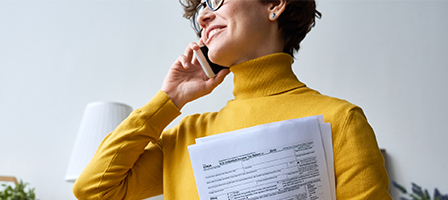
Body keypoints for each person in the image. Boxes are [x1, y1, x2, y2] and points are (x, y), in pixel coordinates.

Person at [73, 0, 392, 199]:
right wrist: (168, 100)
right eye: (201, 8)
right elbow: (93, 189)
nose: (203, 18)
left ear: (275, 4)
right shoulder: (188, 136)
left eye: (217, 0)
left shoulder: (340, 120)